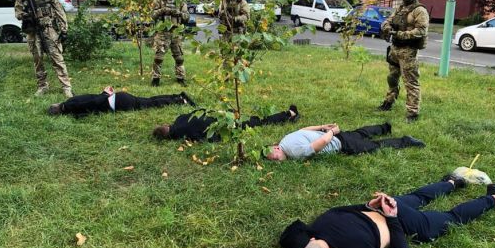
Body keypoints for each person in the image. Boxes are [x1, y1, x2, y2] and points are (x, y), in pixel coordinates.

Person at [279, 177, 495, 248]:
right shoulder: (323, 221)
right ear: (312, 237)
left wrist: (388, 215)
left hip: (394, 218)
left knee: (452, 218)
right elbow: (350, 209)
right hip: (388, 210)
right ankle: (451, 182)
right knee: (417, 197)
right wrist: (375, 206)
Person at [15, 0, 73, 98]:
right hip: (33, 32)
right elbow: (17, 12)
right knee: (38, 60)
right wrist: (26, 16)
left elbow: (60, 12)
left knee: (57, 59)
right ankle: (42, 86)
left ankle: (66, 87)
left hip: (49, 30)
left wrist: (64, 30)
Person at [378, 0, 429, 123]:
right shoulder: (400, 9)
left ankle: (412, 113)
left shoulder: (420, 11)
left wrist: (401, 34)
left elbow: (421, 31)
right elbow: (388, 21)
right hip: (395, 49)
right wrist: (386, 27)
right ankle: (389, 101)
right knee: (392, 78)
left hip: (408, 51)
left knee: (410, 82)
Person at [266, 122, 424, 161]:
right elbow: (303, 129)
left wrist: (331, 132)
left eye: (274, 157)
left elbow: (321, 143)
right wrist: (322, 127)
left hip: (340, 143)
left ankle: (406, 141)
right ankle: (385, 127)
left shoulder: (294, 152)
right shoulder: (285, 139)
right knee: (360, 133)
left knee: (374, 146)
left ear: (276, 148)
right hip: (339, 136)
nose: (275, 160)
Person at [153, 105, 299, 142]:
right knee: (258, 120)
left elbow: (208, 138)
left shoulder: (184, 135)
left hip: (225, 124)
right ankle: (289, 115)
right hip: (223, 116)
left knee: (259, 121)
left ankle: (289, 115)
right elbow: (199, 112)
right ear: (166, 125)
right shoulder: (180, 119)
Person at [47, 86, 195, 118]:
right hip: (117, 100)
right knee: (149, 101)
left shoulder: (71, 108)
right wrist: (105, 93)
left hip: (117, 102)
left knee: (149, 102)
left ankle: (179, 100)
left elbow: (92, 104)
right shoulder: (70, 103)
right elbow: (91, 102)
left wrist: (104, 94)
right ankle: (177, 98)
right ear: (57, 106)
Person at [151, 0, 190, 87]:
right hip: (162, 32)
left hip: (176, 32)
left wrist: (179, 13)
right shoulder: (159, 0)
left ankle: (180, 77)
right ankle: (155, 79)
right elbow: (152, 15)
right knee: (158, 57)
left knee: (179, 58)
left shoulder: (180, 1)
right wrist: (162, 10)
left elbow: (187, 17)